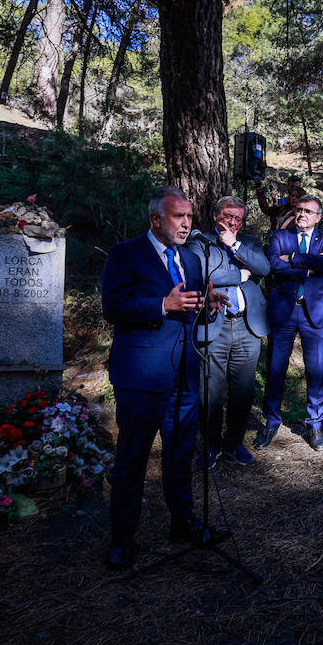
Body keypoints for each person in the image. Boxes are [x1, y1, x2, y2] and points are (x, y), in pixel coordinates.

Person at [100, 186, 219, 570]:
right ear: (155, 219)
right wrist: (161, 304)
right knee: (132, 460)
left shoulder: (192, 258)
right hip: (140, 378)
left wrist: (209, 307)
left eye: (189, 217)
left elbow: (192, 309)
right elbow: (113, 307)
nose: (187, 224)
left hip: (184, 375)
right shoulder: (125, 254)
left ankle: (182, 523)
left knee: (180, 456)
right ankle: (122, 537)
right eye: (178, 217)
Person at [186, 195, 270, 469]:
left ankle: (234, 443)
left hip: (248, 326)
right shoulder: (199, 243)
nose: (232, 223)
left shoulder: (250, 242)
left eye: (238, 219)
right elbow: (200, 276)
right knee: (210, 390)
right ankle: (211, 446)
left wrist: (234, 245)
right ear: (215, 216)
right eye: (228, 217)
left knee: (243, 390)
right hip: (214, 326)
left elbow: (264, 268)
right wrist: (239, 275)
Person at [261, 195, 323, 451]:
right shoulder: (280, 236)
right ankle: (271, 422)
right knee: (275, 368)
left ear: (319, 218)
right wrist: (308, 266)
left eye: (308, 211)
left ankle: (314, 424)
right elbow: (272, 263)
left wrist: (292, 258)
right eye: (299, 210)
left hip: (314, 314)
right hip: (283, 311)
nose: (301, 214)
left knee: (315, 370)